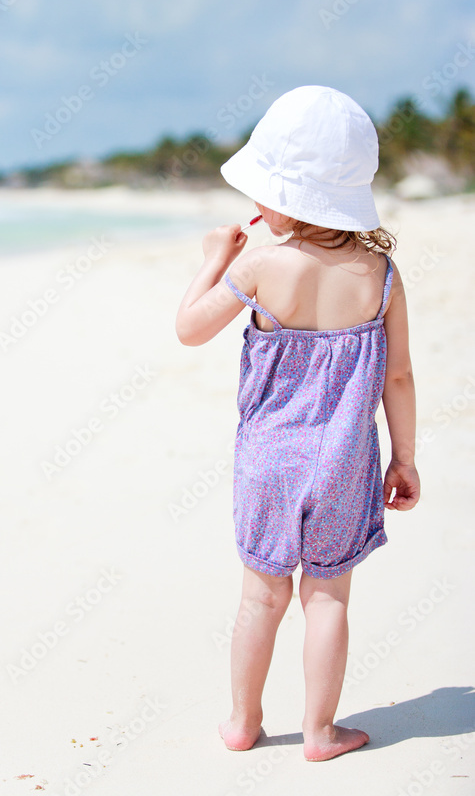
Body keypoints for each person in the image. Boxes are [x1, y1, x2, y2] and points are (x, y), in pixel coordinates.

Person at [175, 85, 420, 762]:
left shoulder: (259, 264)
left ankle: (241, 722)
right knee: (327, 599)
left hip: (267, 461)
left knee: (261, 597)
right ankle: (318, 732)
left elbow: (188, 329)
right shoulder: (381, 275)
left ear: (289, 197)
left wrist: (212, 262)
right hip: (345, 462)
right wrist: (402, 457)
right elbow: (396, 375)